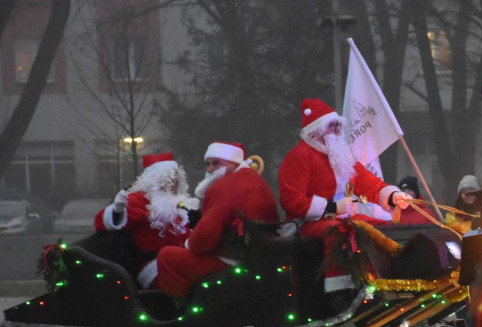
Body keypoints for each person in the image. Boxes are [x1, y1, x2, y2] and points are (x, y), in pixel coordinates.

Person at [277, 98, 410, 300]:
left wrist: (392, 195)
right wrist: (332, 208)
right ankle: (342, 293)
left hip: (342, 217)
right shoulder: (299, 157)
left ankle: (389, 283)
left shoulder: (340, 155)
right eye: (332, 126)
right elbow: (291, 200)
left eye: (338, 125)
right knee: (341, 233)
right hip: (309, 222)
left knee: (382, 229)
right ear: (316, 132)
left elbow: (366, 182)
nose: (338, 131)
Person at [154, 142, 279, 298]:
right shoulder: (256, 180)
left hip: (236, 259)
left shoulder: (225, 185)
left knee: (167, 257)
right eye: (208, 164)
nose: (210, 169)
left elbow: (204, 238)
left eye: (216, 163)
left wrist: (190, 243)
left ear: (234, 165)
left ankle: (188, 307)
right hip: (260, 255)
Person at [93, 151, 194, 288]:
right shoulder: (141, 200)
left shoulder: (178, 204)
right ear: (155, 180)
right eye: (169, 178)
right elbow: (101, 221)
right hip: (157, 267)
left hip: (181, 262)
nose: (175, 182)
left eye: (177, 178)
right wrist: (117, 211)